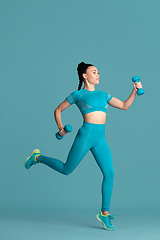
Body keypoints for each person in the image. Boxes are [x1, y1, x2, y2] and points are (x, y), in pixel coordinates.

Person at [24, 62, 143, 231]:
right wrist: (60, 128)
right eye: (94, 72)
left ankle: (104, 213)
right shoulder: (78, 95)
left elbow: (124, 106)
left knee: (109, 173)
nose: (98, 74)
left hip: (100, 139)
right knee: (66, 169)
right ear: (85, 76)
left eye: (98, 72)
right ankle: (37, 157)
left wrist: (134, 91)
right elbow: (58, 110)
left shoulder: (103, 95)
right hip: (86, 136)